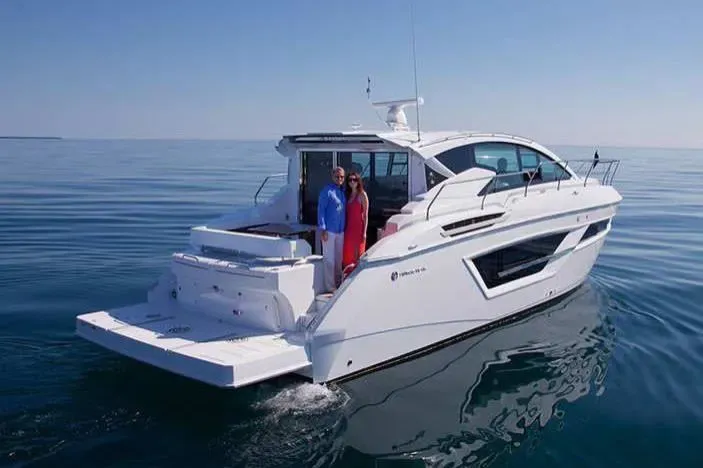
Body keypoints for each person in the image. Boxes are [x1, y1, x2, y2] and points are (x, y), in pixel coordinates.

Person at [317, 166, 346, 292]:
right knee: (329, 260)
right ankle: (330, 287)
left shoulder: (343, 191)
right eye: (337, 176)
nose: (339, 179)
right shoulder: (327, 191)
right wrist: (323, 229)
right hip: (329, 231)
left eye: (342, 177)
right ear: (332, 177)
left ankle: (338, 284)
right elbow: (321, 210)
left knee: (339, 260)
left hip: (340, 230)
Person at [342, 171, 369, 271]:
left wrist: (364, 232)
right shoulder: (347, 195)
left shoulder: (362, 194)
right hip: (348, 229)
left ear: (358, 181)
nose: (352, 182)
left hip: (358, 229)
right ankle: (346, 275)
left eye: (355, 179)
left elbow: (365, 215)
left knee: (358, 255)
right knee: (347, 255)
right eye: (350, 180)